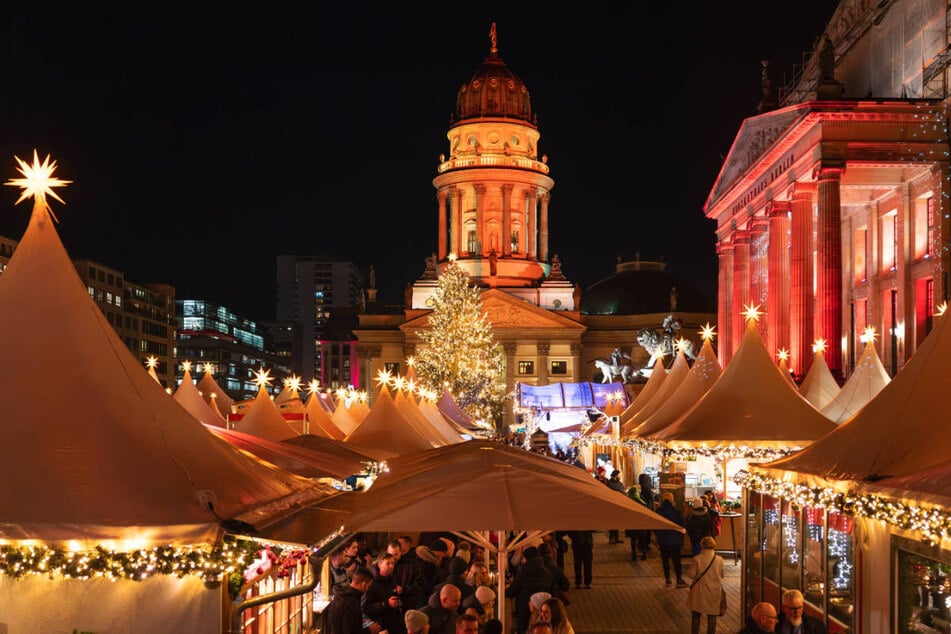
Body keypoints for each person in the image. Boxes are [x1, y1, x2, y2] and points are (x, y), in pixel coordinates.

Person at [505, 547, 553, 634]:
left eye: (523, 558)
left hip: (524, 609)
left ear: (527, 559)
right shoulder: (547, 573)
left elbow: (511, 592)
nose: (522, 560)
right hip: (544, 609)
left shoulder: (524, 573)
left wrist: (504, 590)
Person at [686, 536, 724, 634]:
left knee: (696, 615)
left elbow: (691, 575)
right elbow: (722, 575)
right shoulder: (719, 559)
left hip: (700, 591)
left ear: (702, 545)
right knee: (712, 616)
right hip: (714, 591)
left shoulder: (697, 559)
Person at [322, 565, 376, 634]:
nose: (368, 588)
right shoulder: (351, 602)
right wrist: (369, 631)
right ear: (363, 584)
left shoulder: (339, 595)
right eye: (368, 585)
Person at [364, 552, 407, 634]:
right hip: (381, 626)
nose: (391, 566)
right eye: (388, 563)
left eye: (392, 563)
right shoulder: (371, 583)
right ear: (379, 564)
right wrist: (386, 604)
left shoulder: (392, 578)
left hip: (395, 622)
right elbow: (366, 609)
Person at [654, 491, 688, 588]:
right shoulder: (676, 512)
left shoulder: (659, 511)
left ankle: (668, 579)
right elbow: (682, 525)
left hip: (663, 540)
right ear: (672, 499)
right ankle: (678, 579)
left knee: (665, 560)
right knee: (676, 561)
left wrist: (658, 536)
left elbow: (655, 525)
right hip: (674, 540)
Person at [626, 483, 651, 561]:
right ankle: (643, 554)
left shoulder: (628, 502)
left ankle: (634, 554)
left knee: (633, 540)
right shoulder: (641, 501)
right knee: (642, 539)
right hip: (641, 524)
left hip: (632, 524)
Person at [605, 469, 626, 543]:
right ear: (616, 476)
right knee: (613, 522)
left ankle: (616, 537)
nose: (619, 476)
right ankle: (612, 538)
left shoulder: (617, 483)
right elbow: (618, 490)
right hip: (613, 504)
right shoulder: (611, 483)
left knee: (617, 521)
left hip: (619, 504)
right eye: (618, 475)